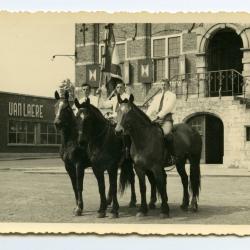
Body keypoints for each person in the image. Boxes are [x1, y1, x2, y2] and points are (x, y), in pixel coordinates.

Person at [146, 78, 177, 165]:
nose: (163, 86)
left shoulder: (172, 95)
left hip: (166, 119)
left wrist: (159, 115)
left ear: (168, 85)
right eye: (162, 85)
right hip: (156, 119)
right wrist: (146, 116)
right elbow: (151, 107)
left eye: (165, 85)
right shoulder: (157, 96)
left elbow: (168, 107)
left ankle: (171, 156)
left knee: (166, 135)